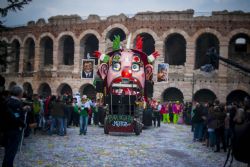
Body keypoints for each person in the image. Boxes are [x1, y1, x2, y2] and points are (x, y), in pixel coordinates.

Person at [2, 85, 30, 167]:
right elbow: (15, 117)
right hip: (14, 130)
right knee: (11, 151)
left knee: (8, 150)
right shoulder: (17, 103)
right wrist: (23, 124)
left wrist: (23, 109)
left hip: (6, 129)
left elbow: (11, 113)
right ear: (20, 93)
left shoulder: (7, 101)